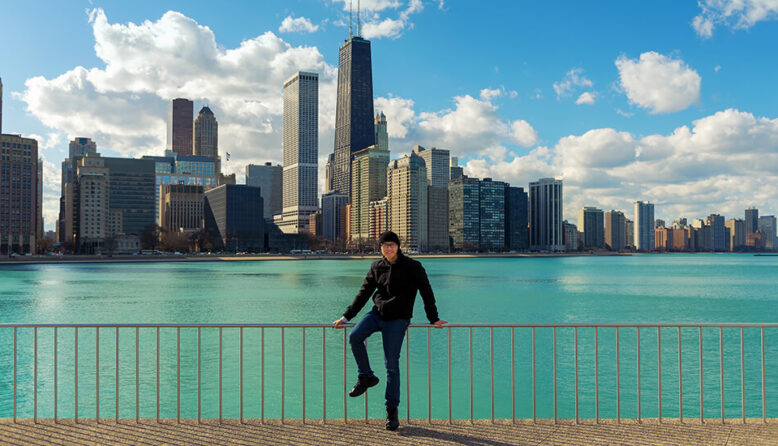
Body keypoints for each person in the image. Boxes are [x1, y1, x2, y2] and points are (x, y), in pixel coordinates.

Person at [333, 231, 447, 431]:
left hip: (398, 319)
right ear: (381, 248)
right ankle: (366, 376)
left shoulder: (413, 267)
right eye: (385, 245)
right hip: (377, 314)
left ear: (398, 246)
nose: (388, 248)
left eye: (392, 245)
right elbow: (364, 293)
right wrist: (346, 317)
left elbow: (426, 292)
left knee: (391, 365)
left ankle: (391, 412)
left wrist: (433, 318)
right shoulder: (377, 267)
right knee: (355, 336)